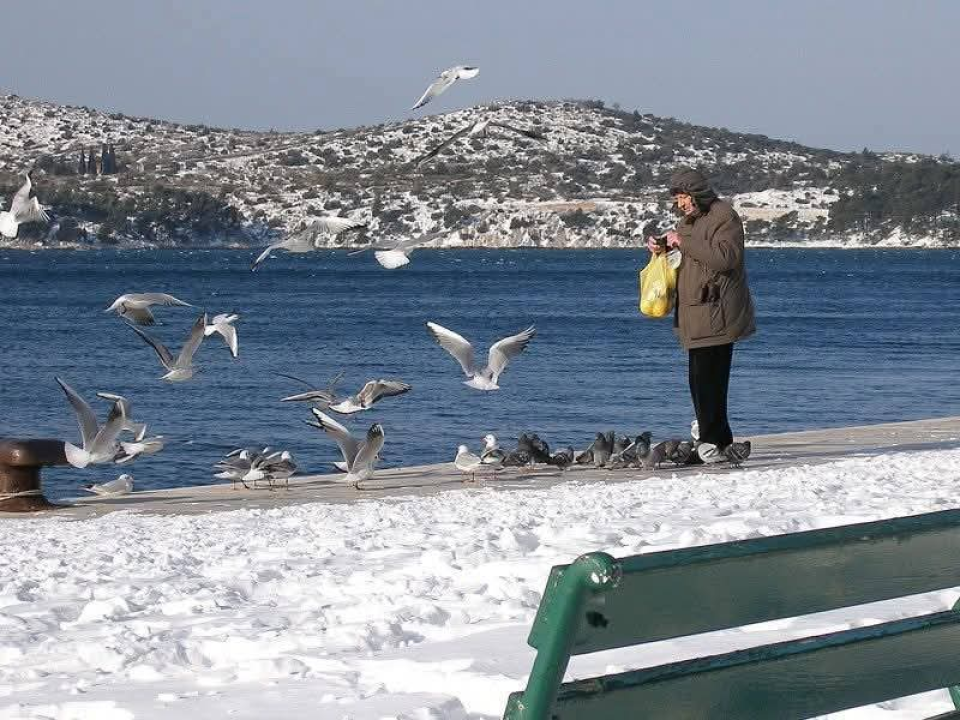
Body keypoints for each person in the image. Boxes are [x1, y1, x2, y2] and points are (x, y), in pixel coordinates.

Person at [646, 168, 755, 464]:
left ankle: (711, 443)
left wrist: (682, 241)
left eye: (683, 197)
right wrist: (661, 248)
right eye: (677, 198)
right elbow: (685, 258)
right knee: (699, 381)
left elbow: (726, 258)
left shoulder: (724, 217)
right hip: (695, 312)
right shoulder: (688, 221)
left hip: (717, 311)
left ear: (696, 194)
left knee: (710, 381)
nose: (680, 203)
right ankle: (717, 443)